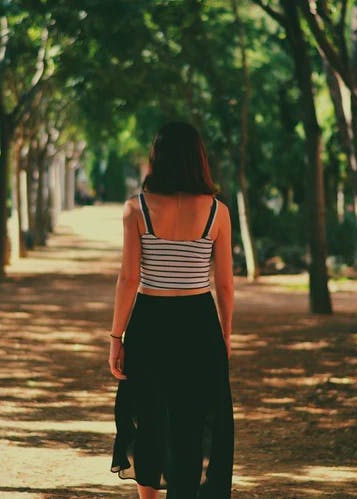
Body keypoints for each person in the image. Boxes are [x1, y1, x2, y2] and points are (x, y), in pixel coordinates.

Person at [108, 121, 235, 499]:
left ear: (156, 159)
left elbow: (129, 279)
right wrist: (224, 338)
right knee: (192, 421)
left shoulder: (137, 209)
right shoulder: (218, 212)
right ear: (199, 159)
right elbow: (225, 285)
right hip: (199, 323)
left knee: (149, 416)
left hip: (150, 322)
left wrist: (116, 336)